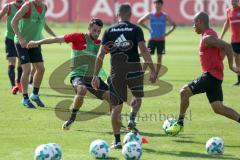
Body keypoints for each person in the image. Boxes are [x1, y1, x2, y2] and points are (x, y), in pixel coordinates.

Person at [27, 18, 115, 130]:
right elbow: (56, 39)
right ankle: (71, 119)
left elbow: (117, 53)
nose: (97, 33)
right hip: (78, 76)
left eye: (99, 31)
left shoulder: (100, 44)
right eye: (94, 30)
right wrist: (37, 42)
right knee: (82, 90)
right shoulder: (78, 37)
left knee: (113, 99)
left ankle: (117, 125)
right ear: (88, 28)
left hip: (93, 78)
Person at [92, 4, 157, 149]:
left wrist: (95, 75)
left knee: (116, 108)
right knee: (138, 97)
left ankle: (117, 141)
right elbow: (144, 51)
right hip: (134, 69)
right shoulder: (136, 29)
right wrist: (152, 70)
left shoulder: (109, 31)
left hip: (117, 71)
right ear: (131, 14)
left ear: (117, 14)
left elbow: (101, 54)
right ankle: (132, 119)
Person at [166, 12, 240, 135]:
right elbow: (222, 50)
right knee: (218, 108)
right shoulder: (210, 34)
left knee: (184, 92)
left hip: (210, 76)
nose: (193, 26)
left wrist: (231, 66)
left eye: (194, 24)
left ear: (200, 22)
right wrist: (219, 59)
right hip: (216, 77)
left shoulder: (207, 38)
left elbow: (227, 46)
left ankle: (179, 124)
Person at [11, 0, 56, 108]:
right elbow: (13, 22)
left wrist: (54, 36)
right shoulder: (27, 6)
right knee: (26, 69)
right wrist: (21, 38)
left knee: (41, 69)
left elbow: (43, 24)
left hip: (34, 42)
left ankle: (35, 95)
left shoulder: (44, 7)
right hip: (22, 43)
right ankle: (25, 98)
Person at [137, 0, 176, 76]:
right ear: (154, 5)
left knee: (159, 58)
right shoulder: (150, 14)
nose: (157, 5)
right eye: (156, 4)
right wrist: (148, 28)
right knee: (147, 57)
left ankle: (156, 74)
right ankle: (141, 74)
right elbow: (140, 21)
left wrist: (167, 33)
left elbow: (173, 25)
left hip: (161, 40)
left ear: (161, 5)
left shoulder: (165, 16)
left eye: (159, 4)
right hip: (152, 39)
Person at [0, 0, 24, 94]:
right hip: (10, 38)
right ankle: (13, 86)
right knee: (12, 61)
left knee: (21, 62)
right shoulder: (8, 7)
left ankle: (19, 83)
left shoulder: (27, 6)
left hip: (21, 38)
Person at [221, 0, 240, 86]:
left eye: (235, 1)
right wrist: (221, 35)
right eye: (232, 1)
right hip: (234, 39)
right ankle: (239, 80)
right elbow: (227, 23)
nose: (233, 3)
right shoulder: (229, 11)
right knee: (236, 58)